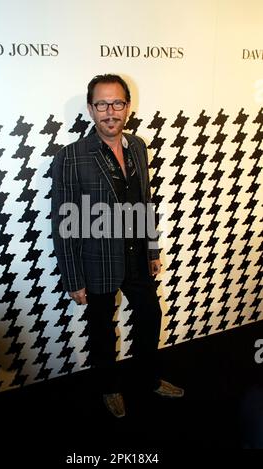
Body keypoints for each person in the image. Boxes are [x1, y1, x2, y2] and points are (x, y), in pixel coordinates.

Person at [51, 74, 184, 418]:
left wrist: (152, 249)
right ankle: (109, 387)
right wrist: (73, 278)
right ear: (91, 109)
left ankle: (148, 377)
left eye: (117, 103)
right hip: (96, 261)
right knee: (101, 330)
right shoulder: (71, 156)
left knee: (150, 316)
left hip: (136, 255)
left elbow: (145, 201)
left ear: (127, 106)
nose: (110, 112)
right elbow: (64, 224)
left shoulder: (138, 146)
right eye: (102, 104)